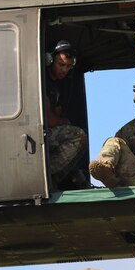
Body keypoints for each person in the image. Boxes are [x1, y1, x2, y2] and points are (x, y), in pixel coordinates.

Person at [44, 40, 89, 187]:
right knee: (78, 136)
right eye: (61, 65)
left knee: (80, 144)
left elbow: (57, 112)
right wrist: (63, 122)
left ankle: (54, 181)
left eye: (68, 66)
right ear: (49, 61)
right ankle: (47, 174)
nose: (65, 70)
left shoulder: (58, 86)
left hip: (48, 135)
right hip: (39, 136)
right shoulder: (43, 81)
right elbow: (50, 120)